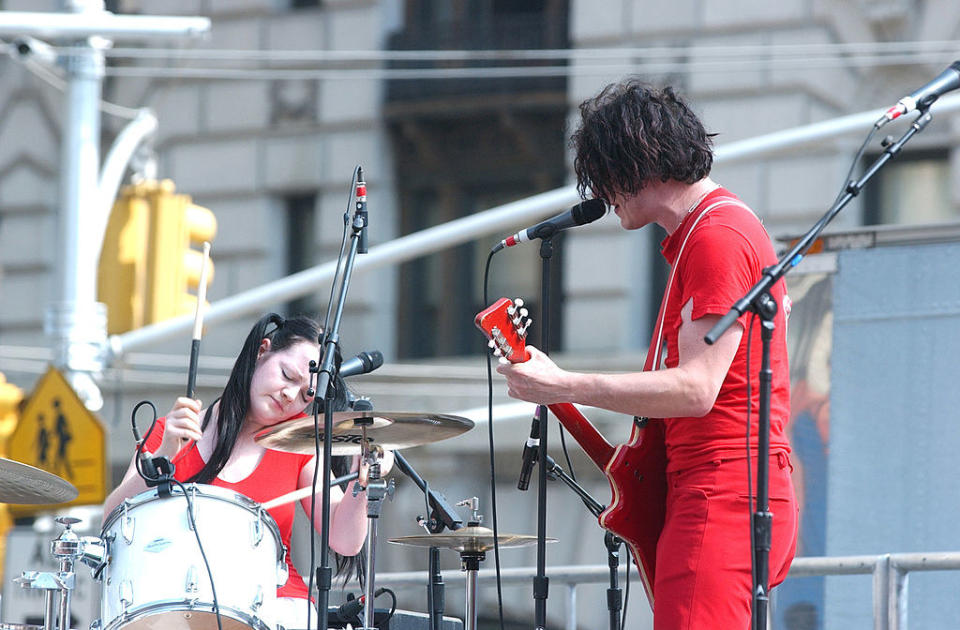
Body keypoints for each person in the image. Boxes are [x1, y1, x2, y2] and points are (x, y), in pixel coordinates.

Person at [497, 79, 799, 629]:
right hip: (714, 485)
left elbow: (695, 390)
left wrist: (564, 384)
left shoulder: (718, 237)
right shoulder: (703, 236)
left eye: (604, 176)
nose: (602, 195)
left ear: (637, 162)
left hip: (721, 488)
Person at [103, 313, 390, 629]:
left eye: (306, 394)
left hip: (275, 606)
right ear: (261, 351)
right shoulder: (172, 431)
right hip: (175, 603)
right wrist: (164, 455)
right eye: (287, 375)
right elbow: (112, 519)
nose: (290, 395)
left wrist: (364, 479)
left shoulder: (301, 442)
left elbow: (344, 539)